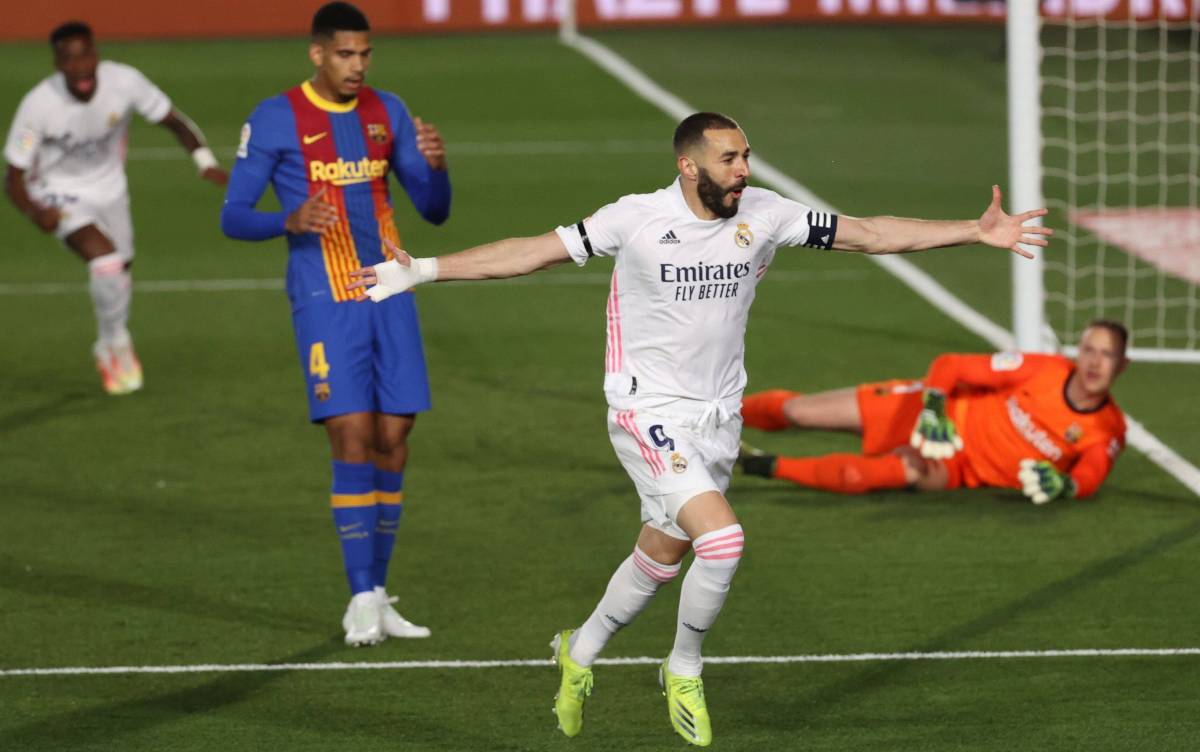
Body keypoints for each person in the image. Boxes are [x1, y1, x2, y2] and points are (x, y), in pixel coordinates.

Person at [346, 111, 1050, 745]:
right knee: (725, 538)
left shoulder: (766, 213)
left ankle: (579, 652)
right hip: (646, 413)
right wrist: (428, 271)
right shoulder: (636, 219)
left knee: (663, 554)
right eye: (730, 160)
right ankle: (682, 667)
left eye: (746, 156)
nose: (744, 170)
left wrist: (972, 230)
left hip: (717, 421)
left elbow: (867, 234)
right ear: (689, 166)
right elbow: (532, 250)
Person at [219, 2, 450, 647]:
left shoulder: (387, 112)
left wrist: (437, 165)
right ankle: (358, 597)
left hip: (390, 287)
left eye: (365, 54)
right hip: (323, 293)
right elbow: (233, 215)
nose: (357, 66)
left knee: (393, 435)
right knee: (351, 432)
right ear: (318, 54)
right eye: (345, 55)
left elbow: (433, 211)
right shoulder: (274, 117)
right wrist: (285, 219)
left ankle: (377, 592)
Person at [3, 21, 228, 395]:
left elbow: (175, 121)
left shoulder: (124, 82)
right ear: (57, 65)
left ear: (96, 54)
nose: (79, 66)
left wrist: (204, 161)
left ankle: (109, 337)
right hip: (58, 194)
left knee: (120, 270)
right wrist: (35, 211)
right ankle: (115, 343)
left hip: (111, 191)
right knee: (105, 262)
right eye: (69, 59)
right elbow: (13, 175)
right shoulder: (38, 105)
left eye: (85, 55)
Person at [739, 321, 1128, 504]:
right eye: (1090, 350)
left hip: (958, 465)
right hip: (923, 409)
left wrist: (1066, 487)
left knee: (884, 472)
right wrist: (934, 407)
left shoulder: (1108, 429)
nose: (1095, 363)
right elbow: (952, 364)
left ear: (1121, 366)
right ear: (1079, 352)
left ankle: (759, 464)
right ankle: (721, 414)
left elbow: (1090, 475)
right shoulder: (1043, 368)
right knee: (797, 411)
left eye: (1107, 355)